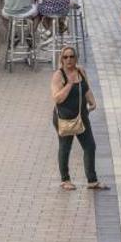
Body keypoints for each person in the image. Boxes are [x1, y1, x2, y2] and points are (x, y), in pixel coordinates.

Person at [50, 46, 108, 191]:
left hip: (81, 116)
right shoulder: (59, 75)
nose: (69, 60)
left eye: (72, 56)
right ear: (61, 59)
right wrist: (69, 84)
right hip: (65, 118)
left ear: (76, 58)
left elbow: (86, 88)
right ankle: (65, 180)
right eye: (65, 57)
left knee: (90, 146)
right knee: (65, 147)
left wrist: (92, 101)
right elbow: (57, 98)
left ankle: (92, 180)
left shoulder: (80, 71)